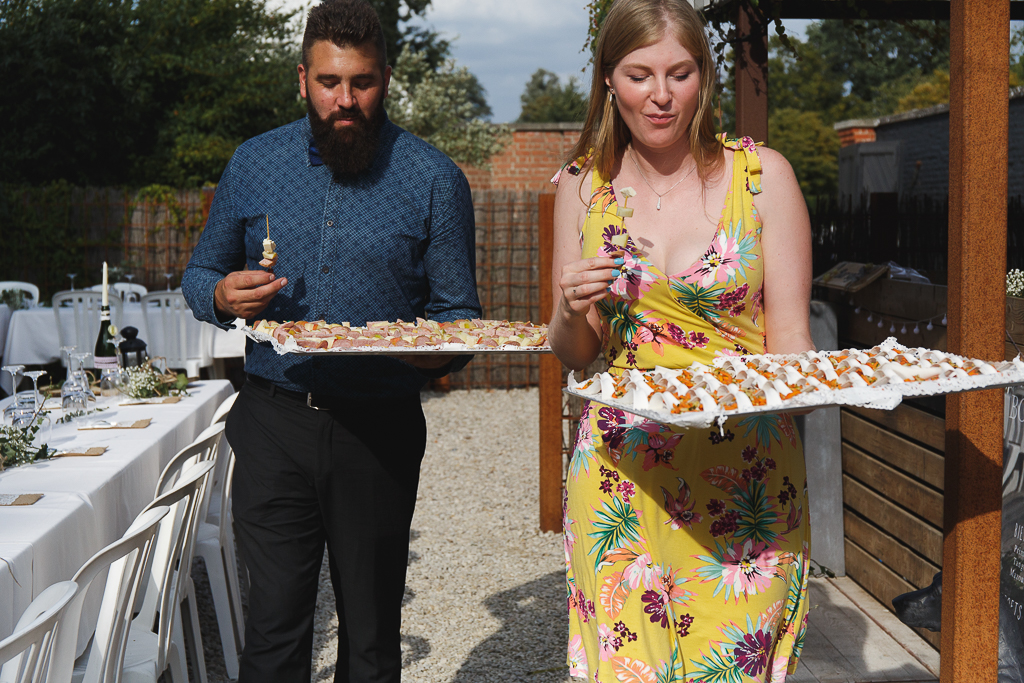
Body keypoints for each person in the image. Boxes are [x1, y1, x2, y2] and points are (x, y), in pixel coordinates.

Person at [181, 1, 481, 681]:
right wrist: (223, 294)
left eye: (363, 83)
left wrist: (422, 350)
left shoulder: (434, 179)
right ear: (302, 79)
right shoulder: (254, 162)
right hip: (272, 417)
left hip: (378, 426)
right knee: (274, 632)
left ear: (386, 78)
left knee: (372, 642)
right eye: (329, 82)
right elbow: (198, 275)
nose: (345, 100)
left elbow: (459, 319)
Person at [548, 0, 813, 680]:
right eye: (639, 75)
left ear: (704, 77)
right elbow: (575, 349)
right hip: (621, 477)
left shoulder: (763, 178)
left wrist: (832, 386)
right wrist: (573, 307)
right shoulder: (583, 186)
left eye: (679, 73)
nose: (660, 96)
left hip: (746, 473)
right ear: (608, 78)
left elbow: (790, 340)